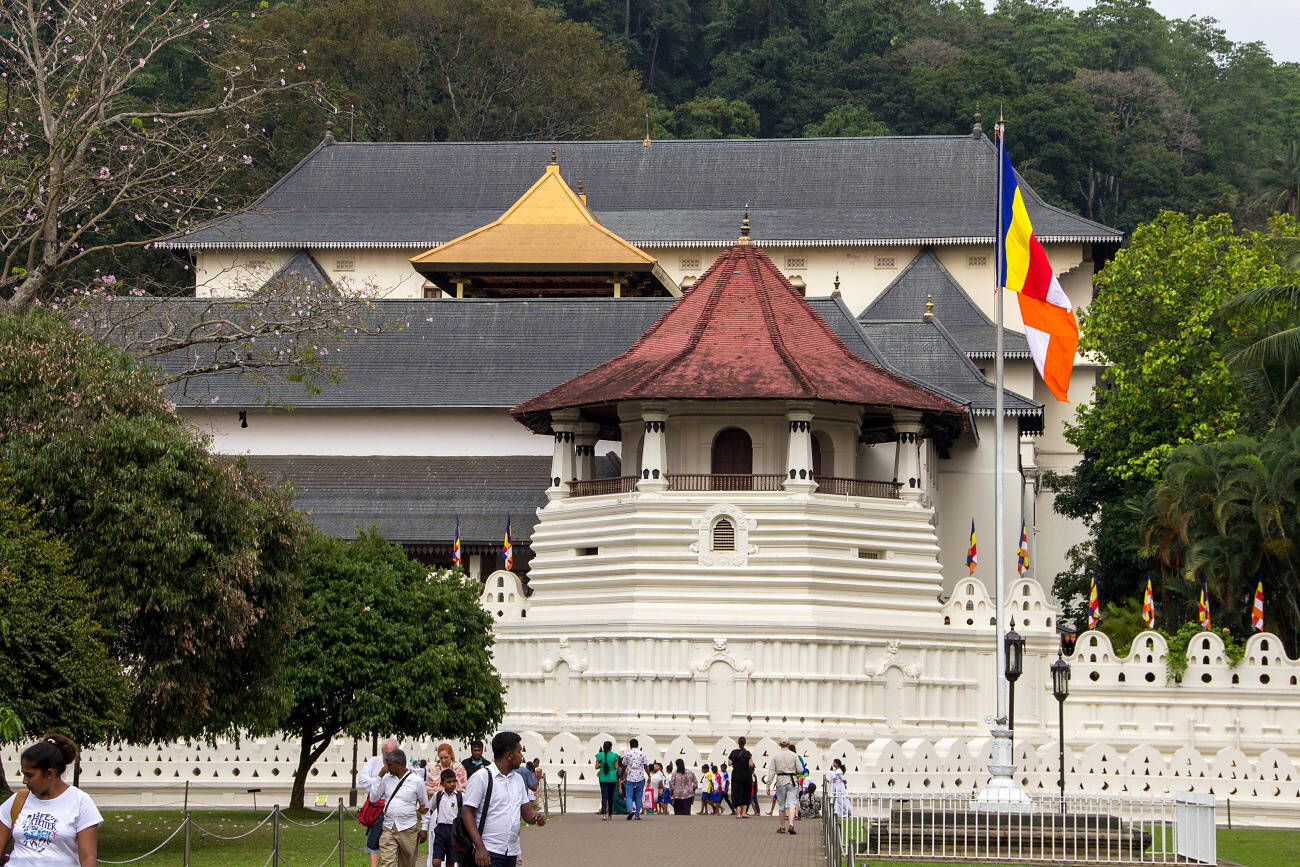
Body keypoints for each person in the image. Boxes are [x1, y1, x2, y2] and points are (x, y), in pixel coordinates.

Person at [0, 733, 102, 867]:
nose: (24, 781)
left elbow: (87, 858)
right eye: (24, 774)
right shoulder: (18, 800)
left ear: (49, 773)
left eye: (29, 775)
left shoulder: (80, 802)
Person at [460, 731, 545, 867]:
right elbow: (466, 812)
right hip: (489, 852)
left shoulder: (517, 779)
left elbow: (526, 811)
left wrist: (535, 817)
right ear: (509, 755)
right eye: (519, 752)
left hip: (511, 852)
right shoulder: (482, 777)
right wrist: (480, 847)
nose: (522, 756)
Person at [367, 747, 430, 867]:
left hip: (408, 827)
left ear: (399, 764)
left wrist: (424, 829)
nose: (387, 768)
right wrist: (379, 776)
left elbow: (424, 807)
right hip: (389, 826)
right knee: (387, 863)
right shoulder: (386, 779)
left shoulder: (416, 781)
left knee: (407, 863)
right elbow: (373, 798)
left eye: (389, 765)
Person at [360, 737, 401, 867]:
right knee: (373, 839)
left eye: (392, 753)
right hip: (377, 808)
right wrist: (380, 781)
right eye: (386, 753)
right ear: (382, 751)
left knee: (393, 842)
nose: (389, 756)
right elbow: (363, 779)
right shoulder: (373, 762)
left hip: (394, 809)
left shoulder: (401, 766)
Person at [764, 737, 803, 834]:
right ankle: (791, 824)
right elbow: (801, 770)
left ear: (780, 744)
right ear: (789, 744)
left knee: (781, 805)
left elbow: (772, 771)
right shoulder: (794, 756)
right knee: (792, 804)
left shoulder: (776, 756)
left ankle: (782, 827)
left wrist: (768, 785)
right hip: (792, 780)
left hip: (781, 781)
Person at [425, 769, 461, 867]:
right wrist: (425, 826)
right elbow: (429, 810)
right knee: (436, 861)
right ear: (442, 783)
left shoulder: (460, 796)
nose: (452, 784)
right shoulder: (438, 796)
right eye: (448, 782)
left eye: (454, 781)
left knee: (451, 861)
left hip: (453, 831)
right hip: (441, 830)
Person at [619, 738, 648, 821]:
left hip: (630, 777)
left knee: (629, 796)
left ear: (630, 745)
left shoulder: (627, 754)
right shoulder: (642, 753)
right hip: (640, 777)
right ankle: (637, 815)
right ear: (638, 745)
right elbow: (645, 765)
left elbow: (624, 766)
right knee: (639, 796)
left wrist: (621, 775)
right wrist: (649, 775)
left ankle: (631, 810)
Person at [727, 737, 755, 818]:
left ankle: (738, 813)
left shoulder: (734, 752)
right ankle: (744, 812)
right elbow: (751, 764)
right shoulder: (747, 753)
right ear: (745, 743)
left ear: (738, 742)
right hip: (746, 775)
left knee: (736, 792)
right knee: (746, 793)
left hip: (736, 774)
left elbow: (729, 763)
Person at [593, 741, 619, 820]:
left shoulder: (599, 755)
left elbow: (596, 767)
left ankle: (604, 814)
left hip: (603, 778)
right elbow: (617, 767)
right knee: (611, 796)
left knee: (604, 796)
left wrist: (602, 765)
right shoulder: (614, 756)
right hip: (612, 778)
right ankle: (610, 814)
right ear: (611, 747)